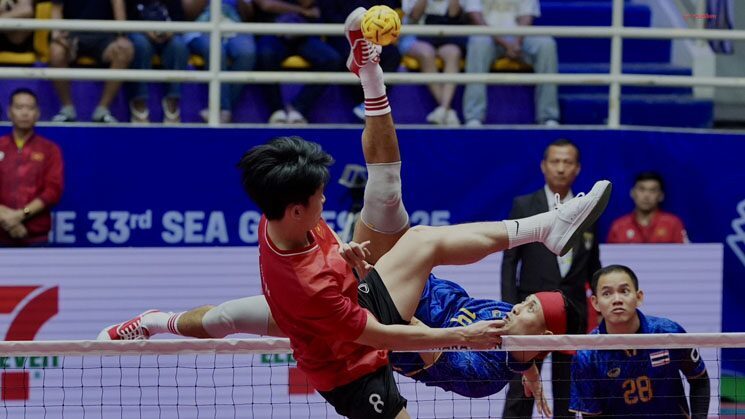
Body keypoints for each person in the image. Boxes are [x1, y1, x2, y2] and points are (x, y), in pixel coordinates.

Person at [99, 8, 612, 418]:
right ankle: (543, 228)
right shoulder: (314, 283)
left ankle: (368, 73)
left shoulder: (282, 218)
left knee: (382, 192)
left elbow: (515, 346)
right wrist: (462, 334)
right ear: (296, 209)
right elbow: (384, 335)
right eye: (318, 198)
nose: (327, 202)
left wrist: (523, 361)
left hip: (353, 299)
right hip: (352, 344)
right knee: (419, 242)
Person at [501, 138, 601, 419]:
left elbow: (593, 264)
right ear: (543, 166)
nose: (560, 168)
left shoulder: (588, 209)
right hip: (531, 315)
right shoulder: (524, 205)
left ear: (577, 168)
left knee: (568, 389)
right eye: (555, 161)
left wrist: (600, 304)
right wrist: (511, 307)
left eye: (567, 162)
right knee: (521, 387)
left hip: (573, 315)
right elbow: (510, 262)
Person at [570, 264, 710, 418]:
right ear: (595, 303)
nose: (617, 300)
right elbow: (591, 414)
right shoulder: (587, 355)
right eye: (607, 293)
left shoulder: (668, 332)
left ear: (639, 297)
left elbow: (699, 379)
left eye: (624, 291)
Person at [461, 0, 559, 126]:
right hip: (486, 35)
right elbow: (475, 15)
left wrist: (517, 41)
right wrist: (505, 44)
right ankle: (474, 116)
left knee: (546, 45)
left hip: (519, 36)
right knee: (477, 43)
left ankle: (548, 116)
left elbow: (527, 13)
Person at [254, 0, 343, 124]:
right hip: (273, 31)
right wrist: (302, 11)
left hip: (304, 33)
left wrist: (301, 9)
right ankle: (277, 111)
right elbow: (267, 5)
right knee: (265, 54)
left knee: (331, 59)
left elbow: (307, 2)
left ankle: (297, 109)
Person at [49, 0, 134, 123]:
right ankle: (67, 110)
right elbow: (56, 8)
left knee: (125, 50)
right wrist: (57, 35)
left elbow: (117, 3)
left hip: (105, 35)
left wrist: (122, 35)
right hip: (72, 33)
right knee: (56, 51)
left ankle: (102, 111)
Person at [317, 0, 401, 121]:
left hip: (374, 34)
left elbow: (388, 9)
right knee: (350, 55)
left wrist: (374, 26)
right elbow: (329, 15)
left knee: (394, 54)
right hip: (343, 37)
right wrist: (358, 27)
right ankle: (367, 102)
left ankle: (369, 103)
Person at [0, 88, 64, 246]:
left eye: (30, 108)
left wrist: (21, 215)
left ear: (37, 113)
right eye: (19, 107)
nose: (24, 113)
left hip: (36, 236)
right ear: (9, 112)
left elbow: (53, 190)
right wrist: (6, 218)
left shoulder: (50, 149)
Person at [183, 0, 256, 124]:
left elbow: (248, 15)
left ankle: (220, 110)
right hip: (201, 27)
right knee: (215, 50)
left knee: (247, 53)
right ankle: (225, 111)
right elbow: (189, 13)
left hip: (234, 26)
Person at [116, 0, 189, 124]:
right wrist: (145, 30)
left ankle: (172, 103)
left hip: (167, 34)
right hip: (139, 33)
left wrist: (170, 31)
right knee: (141, 46)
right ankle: (139, 102)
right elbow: (128, 16)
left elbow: (178, 17)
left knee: (179, 46)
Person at [399, 0, 465, 126]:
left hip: (443, 36)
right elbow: (414, 16)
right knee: (426, 53)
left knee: (454, 53)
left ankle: (443, 109)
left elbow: (453, 14)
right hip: (414, 35)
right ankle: (447, 110)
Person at [607, 171, 689, 244]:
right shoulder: (619, 226)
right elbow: (610, 255)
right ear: (632, 193)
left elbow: (685, 253)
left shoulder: (673, 224)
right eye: (642, 189)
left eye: (652, 190)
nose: (646, 195)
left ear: (661, 195)